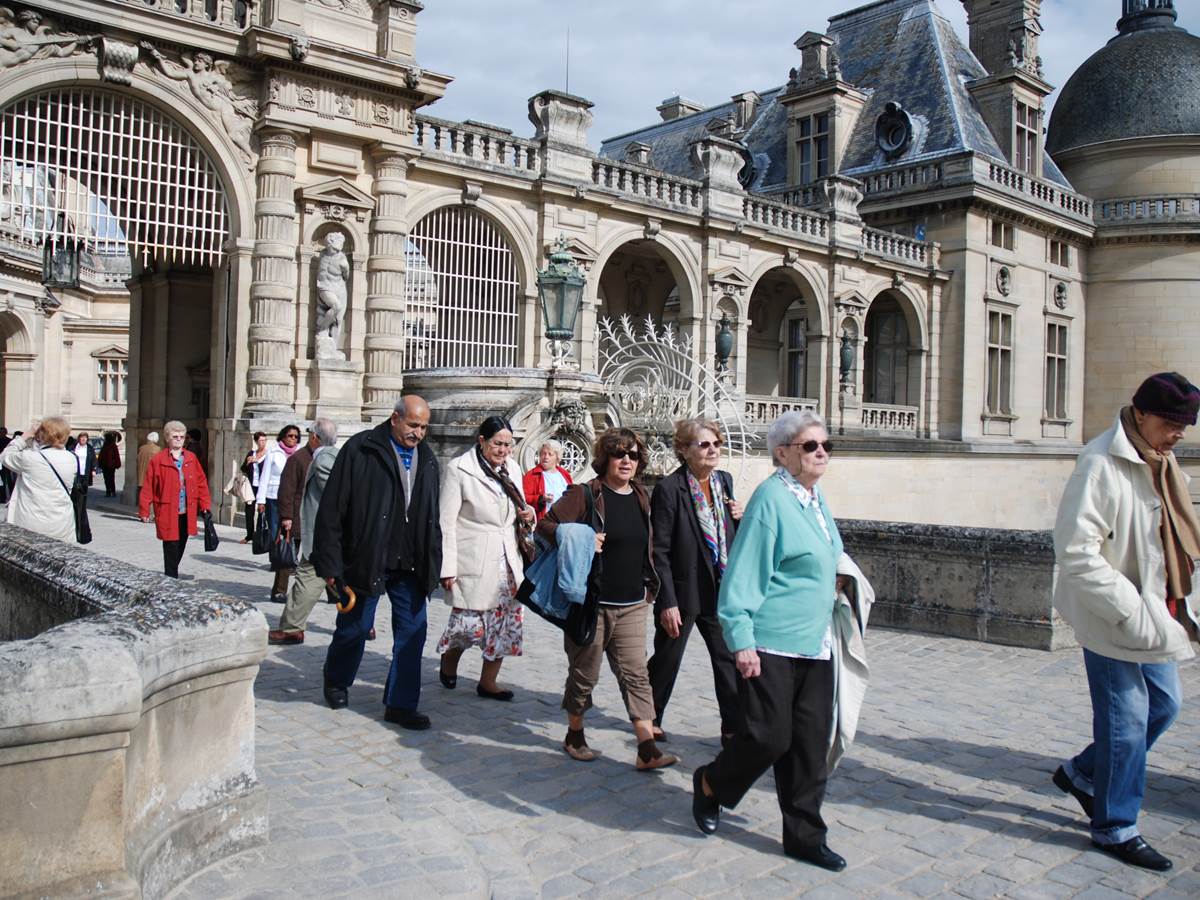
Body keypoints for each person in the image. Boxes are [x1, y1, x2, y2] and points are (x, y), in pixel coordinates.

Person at [1051, 372, 1200, 872]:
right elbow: (1075, 553)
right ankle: (1115, 825)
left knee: (1166, 703)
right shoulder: (1100, 463)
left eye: (1186, 424)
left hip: (1155, 610)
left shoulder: (1160, 459)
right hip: (1114, 616)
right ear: (1140, 414)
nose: (1180, 433)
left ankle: (1083, 773)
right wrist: (1131, 610)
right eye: (1172, 423)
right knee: (1128, 719)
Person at [691, 410, 848, 872]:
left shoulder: (815, 499)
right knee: (768, 737)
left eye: (826, 446)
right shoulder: (770, 501)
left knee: (809, 746)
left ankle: (804, 836)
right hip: (773, 641)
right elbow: (743, 575)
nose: (821, 453)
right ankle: (711, 785)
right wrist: (740, 640)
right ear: (783, 453)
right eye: (810, 446)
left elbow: (830, 555)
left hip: (816, 641)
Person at [537, 426, 678, 771]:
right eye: (619, 454)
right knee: (585, 674)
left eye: (632, 454)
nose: (627, 460)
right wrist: (582, 536)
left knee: (636, 674)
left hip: (632, 602)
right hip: (591, 602)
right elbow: (547, 525)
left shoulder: (643, 497)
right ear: (605, 459)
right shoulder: (585, 494)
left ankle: (646, 748)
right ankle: (574, 734)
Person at [312, 395, 442, 730]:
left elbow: (431, 515)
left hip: (411, 563)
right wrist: (330, 566)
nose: (419, 433)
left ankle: (401, 704)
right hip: (368, 555)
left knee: (413, 633)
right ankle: (337, 678)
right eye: (413, 425)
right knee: (355, 628)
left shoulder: (427, 458)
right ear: (395, 418)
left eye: (424, 427)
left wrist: (435, 561)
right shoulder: (361, 449)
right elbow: (332, 510)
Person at [647, 418, 743, 746]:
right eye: (704, 444)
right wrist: (667, 602)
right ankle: (650, 717)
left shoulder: (724, 482)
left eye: (716, 443)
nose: (713, 449)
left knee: (727, 659)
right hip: (683, 590)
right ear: (685, 450)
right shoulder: (669, 489)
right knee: (667, 659)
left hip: (719, 588)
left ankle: (731, 726)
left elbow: (728, 537)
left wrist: (739, 518)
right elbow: (659, 550)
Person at [437, 416, 532, 701]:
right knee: (468, 623)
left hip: (508, 560)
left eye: (508, 445)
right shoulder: (459, 470)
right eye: (497, 444)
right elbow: (446, 522)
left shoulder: (512, 469)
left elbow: (520, 510)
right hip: (475, 555)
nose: (503, 450)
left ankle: (488, 681)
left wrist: (529, 516)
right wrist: (447, 567)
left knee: (505, 622)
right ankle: (449, 661)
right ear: (482, 441)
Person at [270, 419, 339, 645]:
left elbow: (339, 496)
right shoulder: (313, 457)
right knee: (340, 579)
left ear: (315, 437)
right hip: (327, 535)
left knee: (308, 577)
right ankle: (360, 623)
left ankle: (291, 628)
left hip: (322, 535)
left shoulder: (324, 458)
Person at [138, 420, 212, 578]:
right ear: (167, 438)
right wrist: (144, 510)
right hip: (167, 509)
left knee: (182, 541)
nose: (179, 439)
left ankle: (171, 572)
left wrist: (205, 505)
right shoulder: (158, 460)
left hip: (187, 509)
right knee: (170, 543)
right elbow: (148, 486)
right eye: (175, 436)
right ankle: (171, 575)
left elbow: (201, 483)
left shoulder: (191, 458)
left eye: (182, 436)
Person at [0, 417, 77, 541]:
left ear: (43, 434)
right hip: (62, 522)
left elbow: (5, 456)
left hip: (32, 523)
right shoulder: (72, 458)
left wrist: (26, 435)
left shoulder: (30, 458)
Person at [256, 424, 301, 601]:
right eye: (290, 435)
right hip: (274, 497)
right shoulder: (274, 453)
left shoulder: (300, 455)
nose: (293, 439)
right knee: (277, 532)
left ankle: (287, 561)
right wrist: (261, 500)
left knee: (291, 535)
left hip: (293, 501)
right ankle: (279, 560)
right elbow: (265, 476)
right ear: (283, 436)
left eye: (296, 436)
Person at [522, 439, 573, 521]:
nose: (546, 457)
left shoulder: (564, 474)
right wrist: (540, 498)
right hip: (544, 521)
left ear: (557, 457)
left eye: (550, 454)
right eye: (543, 454)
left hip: (565, 520)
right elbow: (523, 498)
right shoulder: (531, 475)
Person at [241, 431, 267, 543]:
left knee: (262, 510)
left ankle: (259, 535)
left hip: (263, 487)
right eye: (261, 441)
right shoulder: (251, 453)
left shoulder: (268, 454)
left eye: (264, 440)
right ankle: (249, 535)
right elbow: (243, 469)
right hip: (251, 486)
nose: (263, 443)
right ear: (256, 442)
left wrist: (258, 462)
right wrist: (248, 462)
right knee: (249, 511)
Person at [98, 431, 122, 498]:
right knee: (107, 479)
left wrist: (117, 464)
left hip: (111, 465)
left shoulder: (113, 446)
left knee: (111, 479)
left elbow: (116, 456)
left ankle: (112, 491)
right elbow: (101, 456)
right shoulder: (105, 446)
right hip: (105, 465)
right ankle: (108, 491)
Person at [137, 431, 160, 499]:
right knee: (151, 498)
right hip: (151, 477)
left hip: (141, 477)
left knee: (142, 496)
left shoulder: (141, 448)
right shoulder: (157, 449)